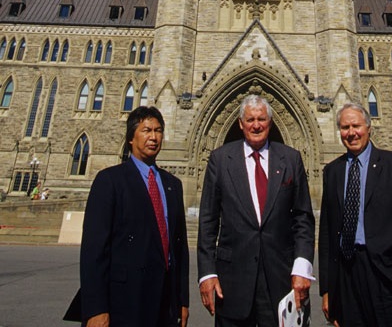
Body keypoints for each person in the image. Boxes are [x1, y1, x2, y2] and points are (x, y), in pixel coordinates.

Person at [197, 94, 315, 327]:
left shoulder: (291, 158)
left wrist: (302, 268)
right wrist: (207, 273)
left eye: (261, 119)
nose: (256, 124)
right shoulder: (220, 160)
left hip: (281, 281)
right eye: (250, 119)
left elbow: (303, 217)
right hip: (233, 284)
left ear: (271, 122)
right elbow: (208, 221)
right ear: (240, 123)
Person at [73, 106, 189, 327]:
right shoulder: (109, 181)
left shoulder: (173, 185)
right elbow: (94, 251)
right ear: (130, 138)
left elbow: (179, 249)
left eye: (158, 131)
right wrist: (96, 309)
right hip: (124, 302)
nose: (153, 137)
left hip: (164, 303)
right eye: (146, 130)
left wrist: (182, 301)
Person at [319, 102, 392, 327]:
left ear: (368, 128)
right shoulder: (332, 171)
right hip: (347, 277)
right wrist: (328, 289)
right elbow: (327, 235)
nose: (351, 133)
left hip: (388, 277)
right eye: (344, 127)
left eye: (356, 126)